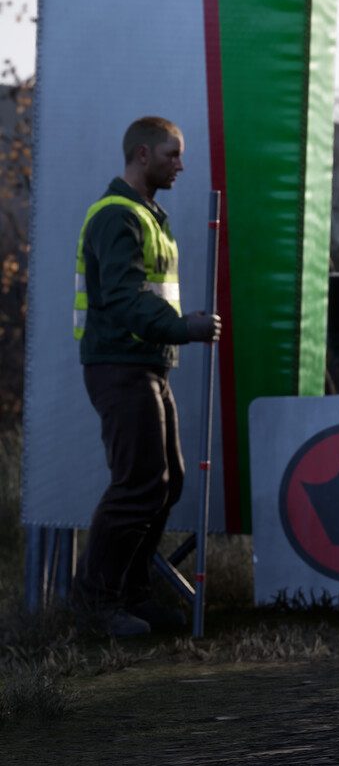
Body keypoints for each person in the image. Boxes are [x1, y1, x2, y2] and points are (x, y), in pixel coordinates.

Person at [72, 116, 221, 636]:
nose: (180, 164)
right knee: (138, 484)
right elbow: (123, 298)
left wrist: (175, 334)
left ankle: (131, 595)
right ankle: (95, 607)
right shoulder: (119, 216)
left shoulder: (147, 215)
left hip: (145, 364)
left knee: (167, 481)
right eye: (171, 154)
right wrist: (184, 328)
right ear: (141, 154)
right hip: (120, 365)